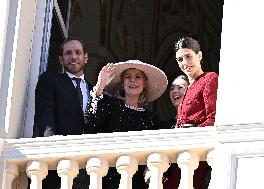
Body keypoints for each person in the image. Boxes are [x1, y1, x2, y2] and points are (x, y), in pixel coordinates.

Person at [84, 60, 168, 189]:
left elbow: (154, 151)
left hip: (137, 180)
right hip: (108, 176)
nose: (132, 81)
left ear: (145, 84)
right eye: (128, 77)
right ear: (122, 84)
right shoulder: (110, 106)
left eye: (138, 77)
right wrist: (99, 87)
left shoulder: (151, 118)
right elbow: (90, 123)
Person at [32, 36, 92, 189]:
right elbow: (45, 116)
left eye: (78, 52)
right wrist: (52, 148)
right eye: (68, 53)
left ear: (85, 57)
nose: (73, 56)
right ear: (61, 59)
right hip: (58, 164)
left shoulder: (96, 92)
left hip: (89, 169)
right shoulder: (51, 81)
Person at [173, 36, 218, 189]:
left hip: (196, 148)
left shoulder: (210, 78)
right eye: (180, 59)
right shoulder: (188, 88)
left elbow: (213, 118)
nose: (184, 63)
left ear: (199, 56)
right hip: (180, 149)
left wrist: (190, 135)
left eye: (188, 56)